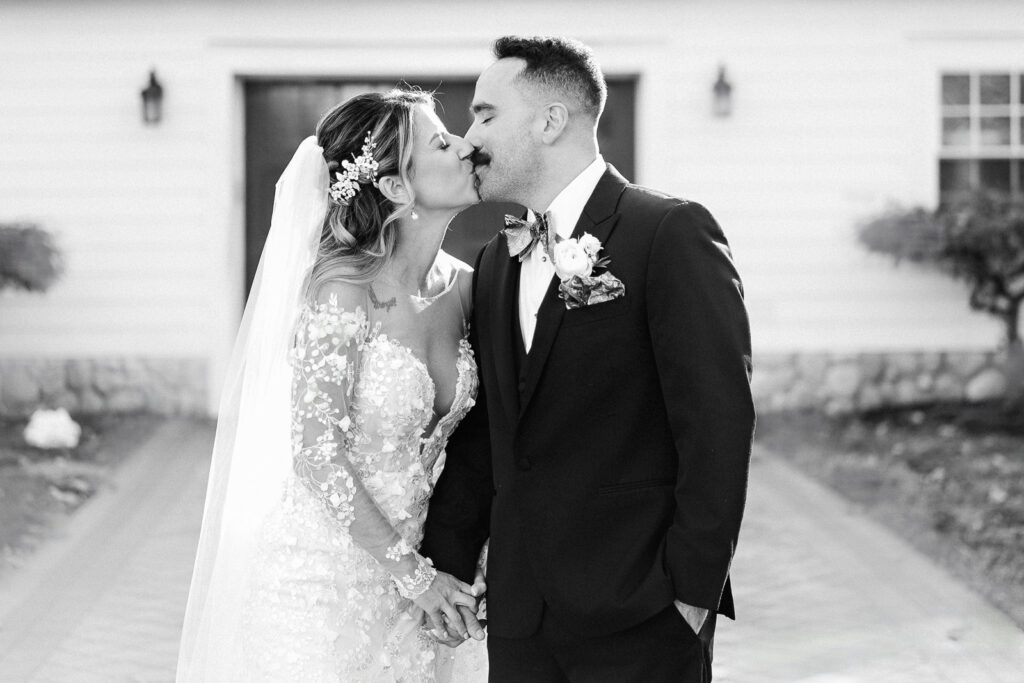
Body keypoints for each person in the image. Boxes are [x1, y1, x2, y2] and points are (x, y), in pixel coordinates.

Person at [421, 36, 756, 682]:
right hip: (521, 622)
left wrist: (690, 592)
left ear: (550, 122)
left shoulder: (669, 235)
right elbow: (488, 432)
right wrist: (444, 560)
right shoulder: (496, 262)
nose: (467, 138)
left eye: (485, 114)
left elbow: (718, 424)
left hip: (643, 617)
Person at [176, 88, 489, 682]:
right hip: (326, 581)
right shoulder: (342, 290)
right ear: (397, 187)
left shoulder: (471, 288)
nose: (468, 145)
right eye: (443, 143)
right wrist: (412, 575)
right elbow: (318, 454)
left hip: (432, 572)